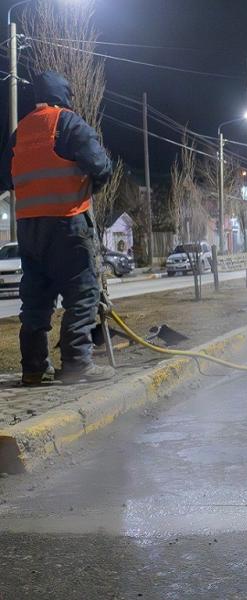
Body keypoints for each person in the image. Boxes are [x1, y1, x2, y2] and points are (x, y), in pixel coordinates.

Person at [0, 71, 114, 384]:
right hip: (68, 223)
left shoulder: (20, 131)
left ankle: (34, 368)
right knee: (82, 293)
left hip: (29, 229)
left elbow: (6, 178)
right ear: (62, 96)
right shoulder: (67, 122)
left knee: (36, 298)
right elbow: (100, 164)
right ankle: (77, 364)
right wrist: (91, 186)